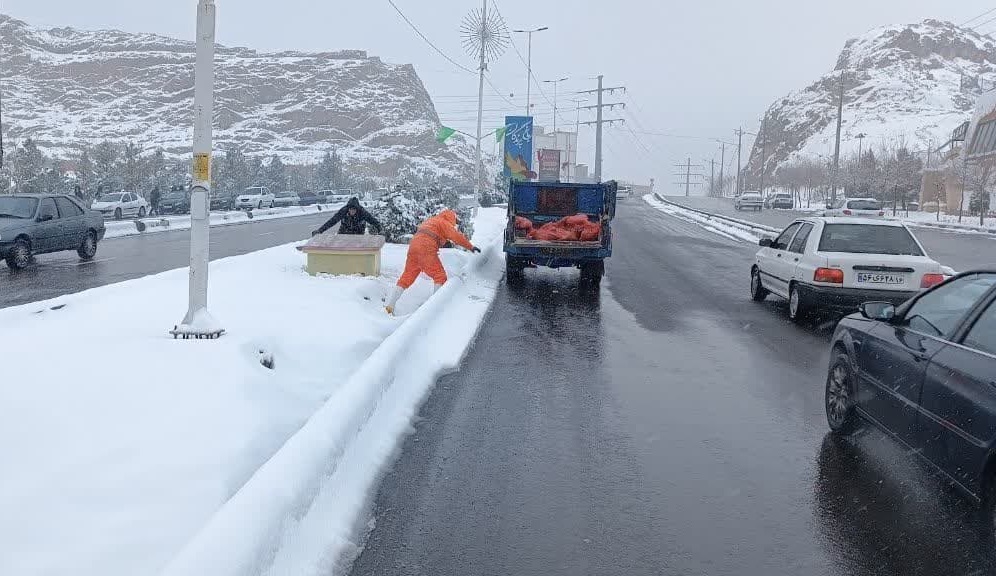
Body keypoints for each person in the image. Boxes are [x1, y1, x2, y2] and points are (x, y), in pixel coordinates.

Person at [384, 209, 480, 315]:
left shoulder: (432, 220)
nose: (455, 224)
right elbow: (456, 237)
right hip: (426, 247)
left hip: (413, 247)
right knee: (440, 276)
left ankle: (390, 306)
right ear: (451, 218)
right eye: (455, 221)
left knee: (406, 277)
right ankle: (434, 308)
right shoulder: (444, 223)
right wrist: (470, 247)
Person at [312, 197, 382, 236]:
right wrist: (320, 230)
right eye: (350, 209)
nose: (352, 211)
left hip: (358, 231)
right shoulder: (343, 211)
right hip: (344, 230)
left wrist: (380, 228)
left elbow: (372, 220)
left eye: (354, 209)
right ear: (348, 208)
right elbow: (332, 221)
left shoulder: (362, 212)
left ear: (357, 209)